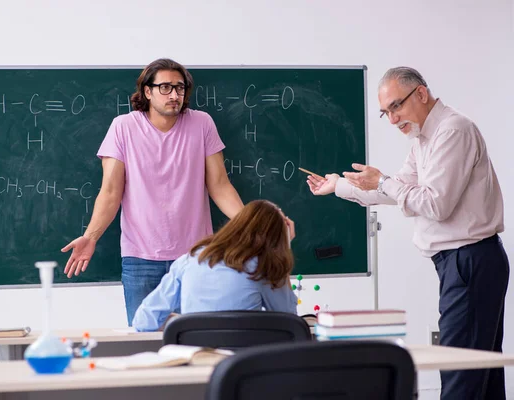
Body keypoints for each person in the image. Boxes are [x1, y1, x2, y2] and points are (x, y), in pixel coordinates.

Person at [306, 66, 509, 400]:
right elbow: (397, 191)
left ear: (421, 94)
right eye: (386, 113)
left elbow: (436, 205)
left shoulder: (453, 131)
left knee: (461, 374)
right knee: (479, 372)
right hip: (462, 262)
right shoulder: (423, 139)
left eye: (395, 107)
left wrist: (383, 180)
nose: (392, 119)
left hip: (469, 260)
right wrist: (340, 186)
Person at [61, 58, 244, 326]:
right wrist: (91, 236)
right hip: (140, 259)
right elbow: (111, 192)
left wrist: (252, 224)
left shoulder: (202, 124)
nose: (174, 95)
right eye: (165, 88)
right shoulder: (123, 127)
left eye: (180, 88)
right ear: (147, 91)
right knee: (143, 343)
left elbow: (219, 185)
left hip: (196, 257)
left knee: (198, 338)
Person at [132, 200, 298, 332]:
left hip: (196, 363)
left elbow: (143, 321)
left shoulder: (190, 260)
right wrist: (284, 250)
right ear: (276, 237)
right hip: (244, 364)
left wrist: (178, 321)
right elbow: (288, 320)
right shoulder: (264, 267)